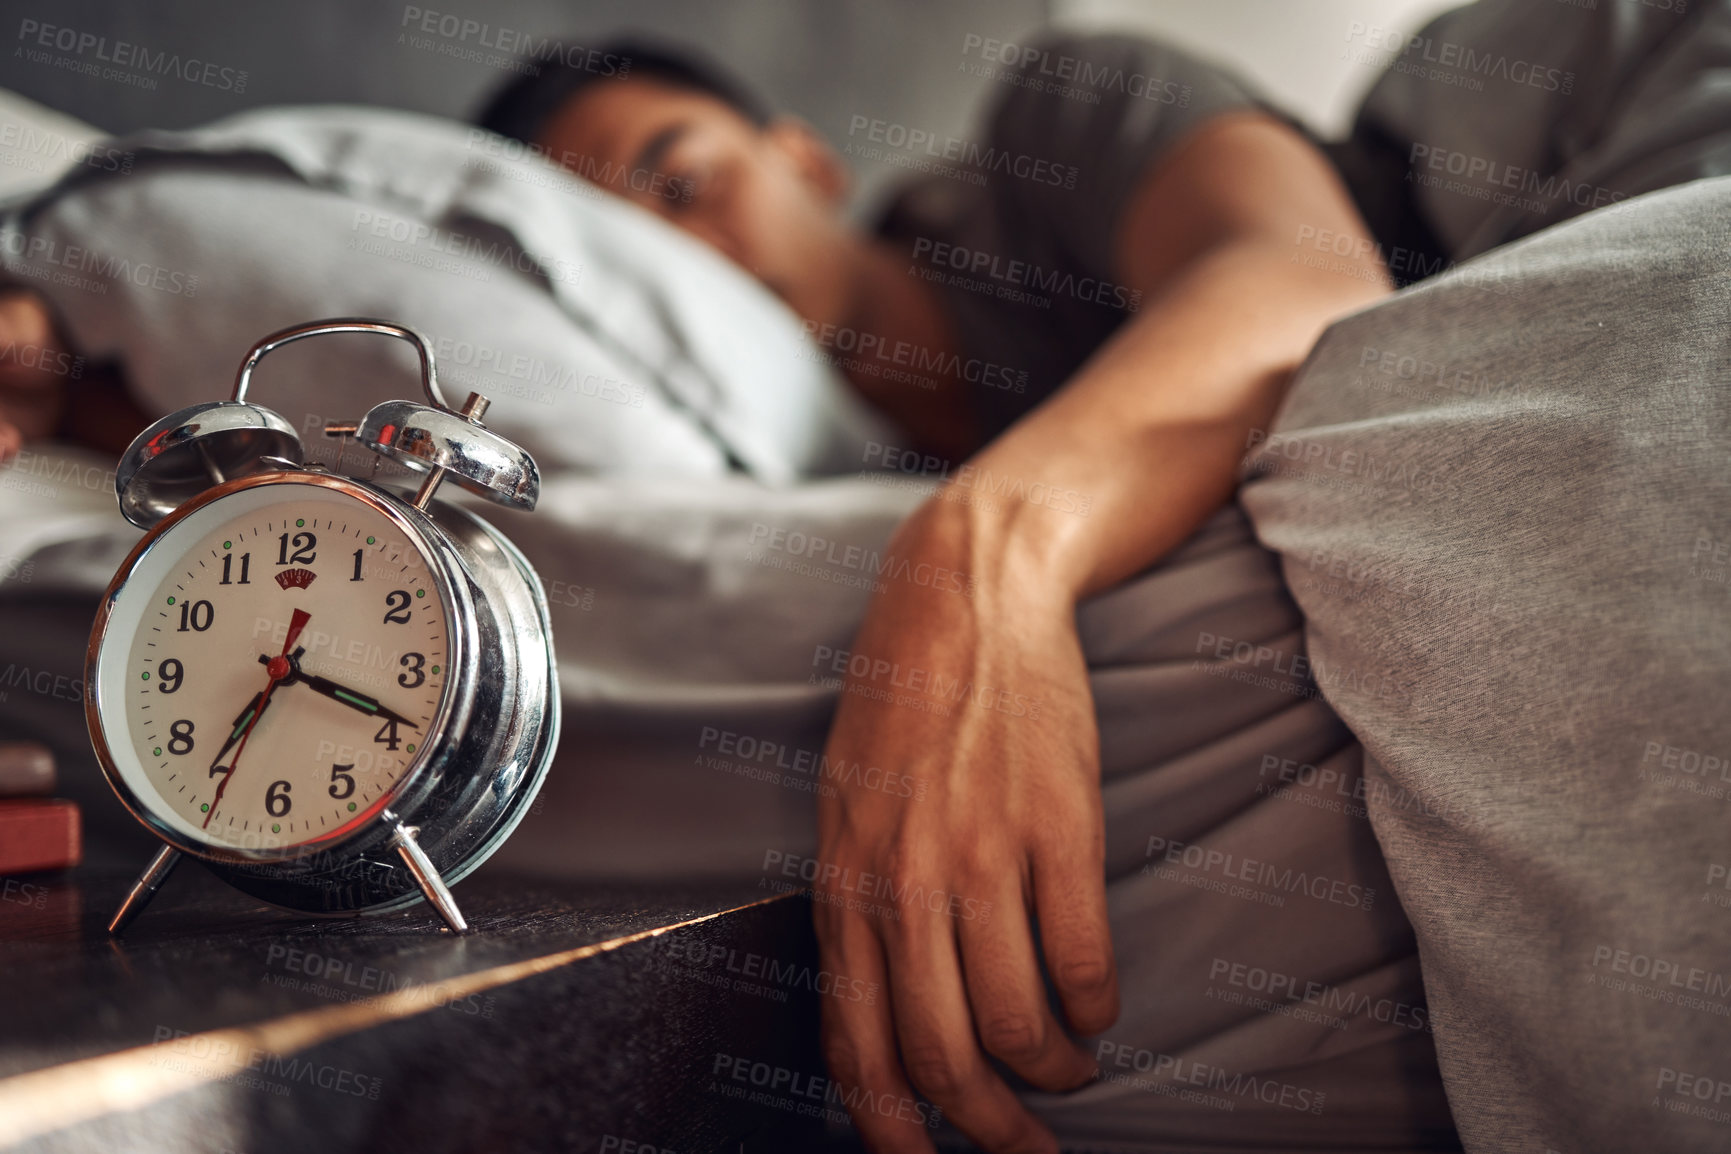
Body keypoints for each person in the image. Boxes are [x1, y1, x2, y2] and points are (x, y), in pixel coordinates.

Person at [479, 36, 1444, 1154]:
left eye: (684, 184)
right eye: (625, 254)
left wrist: (983, 556)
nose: (684, 260)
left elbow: (1308, 282)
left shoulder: (1064, 115)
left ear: (806, 160)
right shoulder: (788, 487)